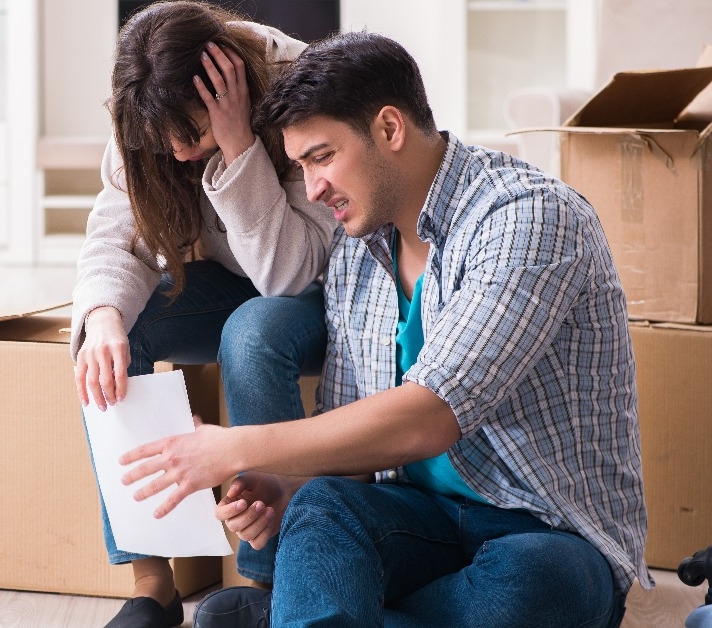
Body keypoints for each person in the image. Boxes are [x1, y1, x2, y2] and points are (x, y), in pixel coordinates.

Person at [119, 30, 651, 627]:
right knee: (322, 508)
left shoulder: (528, 217)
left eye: (322, 157)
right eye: (302, 166)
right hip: (415, 518)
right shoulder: (356, 249)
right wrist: (285, 489)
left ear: (390, 128)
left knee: (534, 584)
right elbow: (352, 448)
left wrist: (232, 447)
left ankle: (304, 614)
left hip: (540, 530)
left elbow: (429, 416)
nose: (313, 189)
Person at [69, 2, 336, 627]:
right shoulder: (152, 109)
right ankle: (153, 584)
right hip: (236, 282)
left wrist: (239, 145)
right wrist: (103, 315)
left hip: (325, 289)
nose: (176, 152)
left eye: (190, 134)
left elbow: (291, 273)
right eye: (162, 139)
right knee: (114, 332)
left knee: (252, 331)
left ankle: (272, 582)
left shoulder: (303, 87)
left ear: (224, 91)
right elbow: (118, 232)